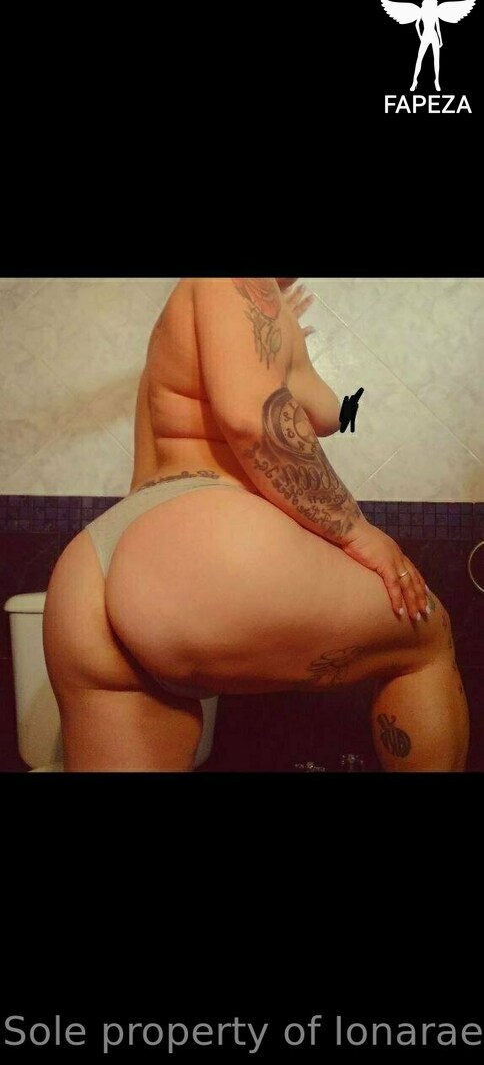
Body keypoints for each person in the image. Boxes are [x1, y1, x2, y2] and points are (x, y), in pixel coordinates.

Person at [43, 278, 469, 772]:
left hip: (91, 573)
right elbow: (253, 419)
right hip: (202, 540)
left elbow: (327, 413)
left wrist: (288, 343)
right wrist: (357, 531)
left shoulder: (229, 305)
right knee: (426, 634)